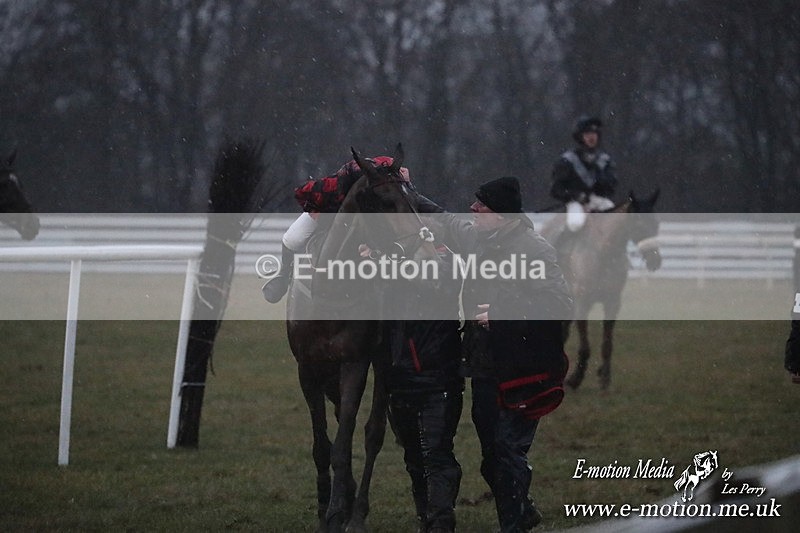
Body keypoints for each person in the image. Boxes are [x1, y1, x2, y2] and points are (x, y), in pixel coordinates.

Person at [430, 177, 573, 532]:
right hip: (483, 366)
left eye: (482, 206)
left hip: (523, 368)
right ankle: (522, 512)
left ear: (503, 214)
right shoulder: (477, 238)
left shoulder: (534, 249)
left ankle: (513, 525)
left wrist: (503, 314)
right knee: (492, 458)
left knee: (507, 450)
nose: (473, 210)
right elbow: (445, 220)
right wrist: (407, 188)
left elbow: (559, 305)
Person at [364, 241, 464, 533]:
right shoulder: (396, 262)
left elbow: (435, 283)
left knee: (436, 452)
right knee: (414, 456)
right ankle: (427, 515)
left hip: (438, 379)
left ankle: (440, 521)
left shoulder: (447, 261)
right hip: (401, 380)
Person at [261, 156, 409, 303]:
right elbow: (301, 193)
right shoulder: (332, 186)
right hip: (328, 209)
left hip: (365, 215)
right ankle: (284, 275)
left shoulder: (389, 178)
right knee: (292, 238)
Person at [550, 116, 617, 232]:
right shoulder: (568, 160)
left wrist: (601, 182)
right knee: (575, 223)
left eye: (594, 133)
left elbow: (611, 187)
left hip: (597, 201)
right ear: (580, 137)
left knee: (615, 218)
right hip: (575, 202)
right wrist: (576, 195)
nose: (591, 137)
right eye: (587, 133)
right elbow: (556, 189)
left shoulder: (604, 160)